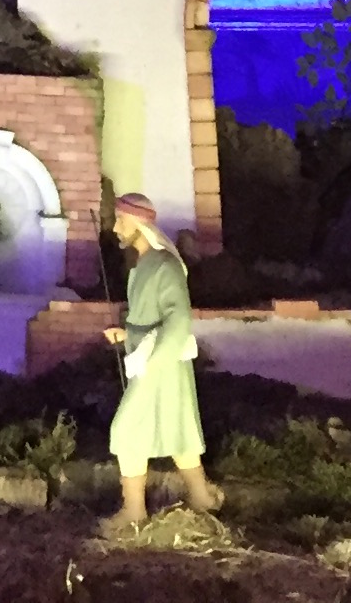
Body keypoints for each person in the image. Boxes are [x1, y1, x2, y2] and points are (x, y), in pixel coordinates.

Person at [102, 196, 224, 534]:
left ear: (138, 223)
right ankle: (201, 498)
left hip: (160, 364)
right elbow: (147, 320)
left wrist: (154, 362)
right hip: (151, 360)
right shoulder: (142, 265)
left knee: (127, 430)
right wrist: (126, 334)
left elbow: (177, 320)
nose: (115, 228)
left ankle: (134, 512)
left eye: (120, 220)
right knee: (177, 429)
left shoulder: (165, 265)